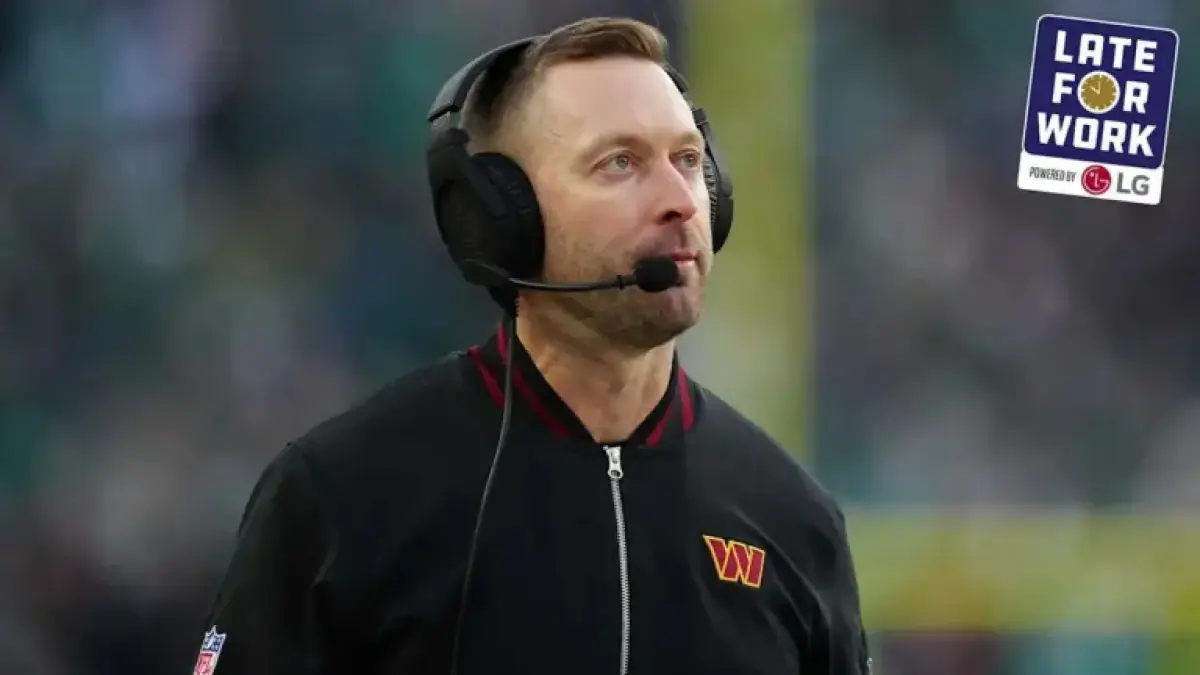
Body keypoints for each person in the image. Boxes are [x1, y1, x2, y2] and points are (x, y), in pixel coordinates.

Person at [194, 17, 870, 675]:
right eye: (620, 163)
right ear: (498, 216)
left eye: (688, 160)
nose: (681, 201)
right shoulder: (339, 496)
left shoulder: (794, 521)